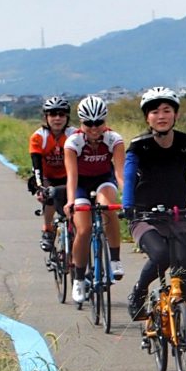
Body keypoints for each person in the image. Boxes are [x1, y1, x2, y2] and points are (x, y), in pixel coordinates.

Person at [121, 86, 186, 353]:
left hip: (178, 214)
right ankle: (140, 291)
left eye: (167, 110)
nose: (161, 116)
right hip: (144, 216)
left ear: (176, 115)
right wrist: (128, 206)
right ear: (147, 118)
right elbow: (128, 177)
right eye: (155, 112)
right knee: (161, 254)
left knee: (185, 271)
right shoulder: (139, 146)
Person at [64, 95, 126, 303]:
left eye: (98, 123)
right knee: (84, 230)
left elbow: (120, 173)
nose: (93, 128)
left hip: (104, 180)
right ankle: (79, 279)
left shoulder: (114, 139)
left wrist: (127, 197)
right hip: (80, 185)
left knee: (108, 207)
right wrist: (70, 201)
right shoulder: (73, 142)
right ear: (81, 122)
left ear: (105, 121)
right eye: (88, 123)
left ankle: (115, 259)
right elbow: (71, 177)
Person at [28, 95, 74, 252]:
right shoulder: (38, 137)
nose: (57, 118)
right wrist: (40, 186)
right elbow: (36, 165)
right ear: (46, 117)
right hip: (48, 176)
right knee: (49, 196)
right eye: (53, 114)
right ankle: (47, 230)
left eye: (61, 114)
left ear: (67, 117)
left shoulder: (74, 134)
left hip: (69, 176)